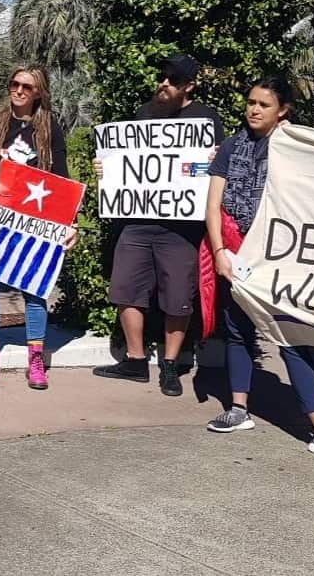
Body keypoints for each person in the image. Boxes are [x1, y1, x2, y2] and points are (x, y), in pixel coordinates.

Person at [203, 74, 314, 466]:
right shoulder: (230, 147)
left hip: (279, 260)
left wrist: (293, 140)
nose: (254, 110)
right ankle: (238, 409)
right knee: (238, 332)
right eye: (251, 102)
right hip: (236, 252)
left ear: (283, 110)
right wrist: (220, 250)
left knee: (291, 337)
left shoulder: (294, 147)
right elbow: (212, 204)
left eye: (264, 105)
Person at [92, 54, 225, 396]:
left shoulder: (206, 119)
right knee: (125, 289)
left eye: (173, 79)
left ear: (189, 86)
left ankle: (170, 364)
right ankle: (135, 361)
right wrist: (105, 170)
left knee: (178, 295)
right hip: (137, 220)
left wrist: (213, 159)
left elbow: (211, 170)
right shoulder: (143, 115)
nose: (164, 83)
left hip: (181, 227)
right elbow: (128, 166)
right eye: (162, 76)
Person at [0, 65, 76, 390]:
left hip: (37, 222)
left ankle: (36, 359)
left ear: (39, 93)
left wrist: (69, 223)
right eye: (14, 84)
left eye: (27, 87)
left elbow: (61, 177)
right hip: (0, 218)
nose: (18, 91)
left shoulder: (50, 129)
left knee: (34, 290)